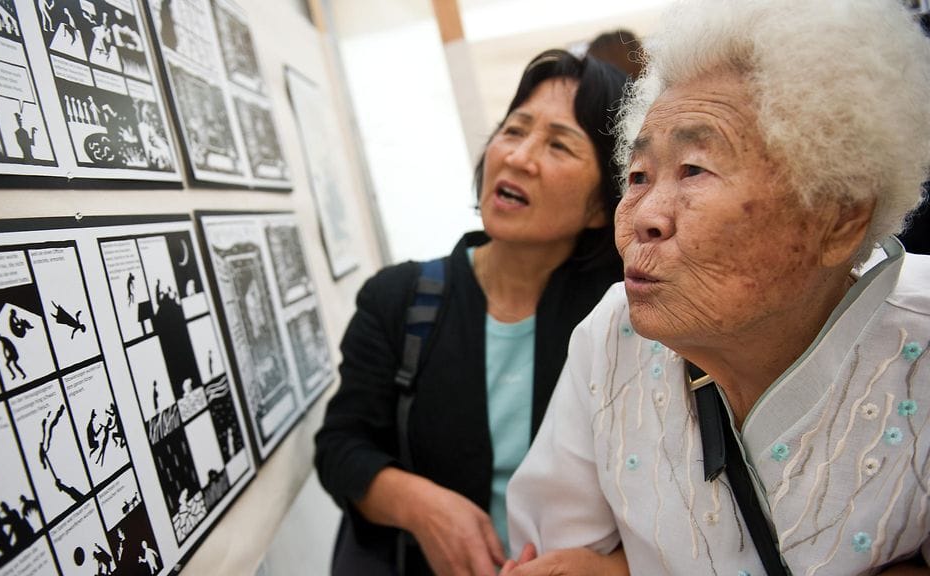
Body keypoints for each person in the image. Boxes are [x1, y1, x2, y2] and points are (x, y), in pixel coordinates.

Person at [504, 0, 930, 575]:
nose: (642, 217)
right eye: (638, 176)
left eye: (694, 170)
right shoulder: (611, 336)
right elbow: (555, 553)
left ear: (838, 218)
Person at [314, 49, 628, 576]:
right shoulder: (397, 298)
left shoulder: (625, 319)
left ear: (601, 205)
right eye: (514, 130)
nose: (519, 157)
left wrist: (610, 569)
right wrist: (420, 506)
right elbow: (340, 447)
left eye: (558, 144)